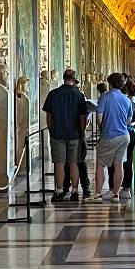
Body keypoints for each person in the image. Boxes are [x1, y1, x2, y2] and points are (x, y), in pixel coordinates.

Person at [43, 67, 90, 203]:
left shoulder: (53, 94)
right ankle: (75, 191)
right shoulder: (79, 95)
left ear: (63, 78)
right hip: (74, 134)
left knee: (59, 164)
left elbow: (49, 115)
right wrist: (82, 133)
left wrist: (51, 130)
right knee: (73, 163)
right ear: (74, 79)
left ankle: (59, 191)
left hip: (57, 133)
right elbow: (83, 117)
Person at [95, 72, 134, 202]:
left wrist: (103, 127)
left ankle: (98, 194)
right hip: (124, 136)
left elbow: (99, 118)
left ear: (110, 83)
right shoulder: (127, 99)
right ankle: (116, 194)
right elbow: (129, 120)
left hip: (109, 135)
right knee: (118, 165)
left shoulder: (105, 97)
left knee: (100, 164)